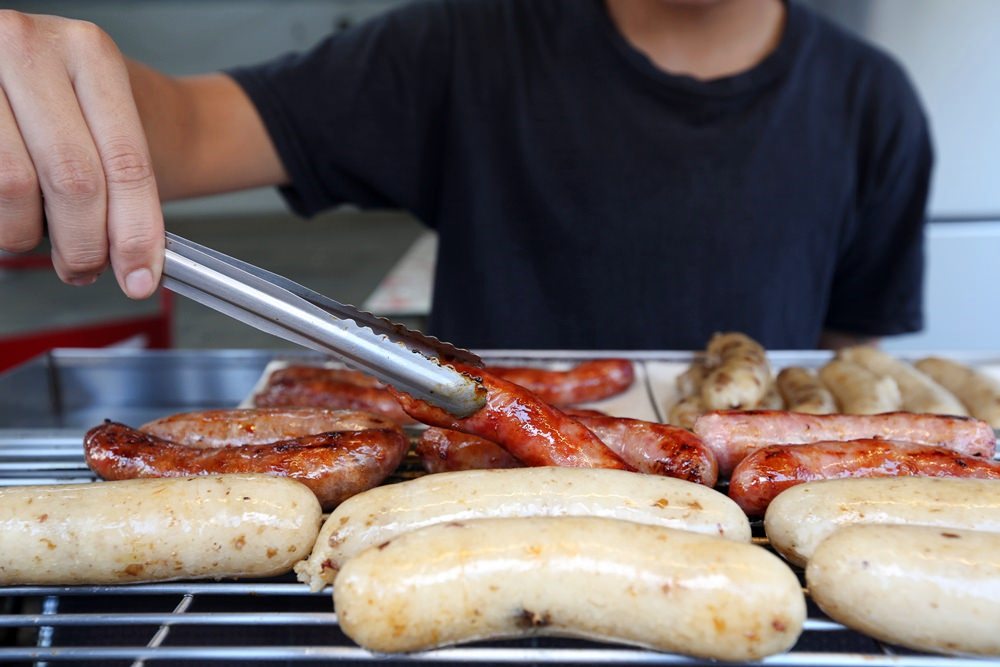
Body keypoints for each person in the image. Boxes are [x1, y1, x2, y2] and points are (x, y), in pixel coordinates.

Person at [0, 0, 932, 351]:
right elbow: (198, 127)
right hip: (475, 528)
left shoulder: (873, 101)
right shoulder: (460, 45)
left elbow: (845, 357)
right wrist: (58, 78)